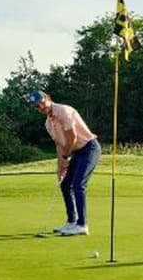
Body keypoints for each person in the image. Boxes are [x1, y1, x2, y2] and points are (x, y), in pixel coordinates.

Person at [29, 91, 102, 235]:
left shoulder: (63, 111)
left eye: (41, 102)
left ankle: (82, 225)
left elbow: (72, 137)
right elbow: (59, 145)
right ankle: (71, 222)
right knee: (65, 184)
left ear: (48, 98)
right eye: (36, 106)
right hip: (75, 152)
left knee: (78, 185)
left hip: (89, 148)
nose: (40, 107)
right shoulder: (48, 123)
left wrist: (65, 156)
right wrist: (60, 166)